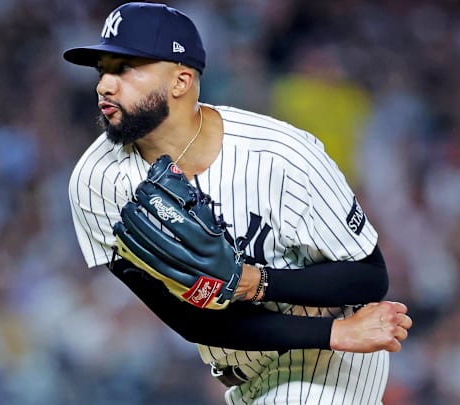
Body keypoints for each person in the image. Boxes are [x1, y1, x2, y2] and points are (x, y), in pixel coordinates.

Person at [64, 3, 412, 404]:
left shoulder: (282, 154)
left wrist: (261, 284)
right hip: (247, 372)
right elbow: (191, 320)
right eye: (102, 69)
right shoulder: (98, 182)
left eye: (124, 68)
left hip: (333, 354)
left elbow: (369, 276)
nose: (104, 85)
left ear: (180, 80)